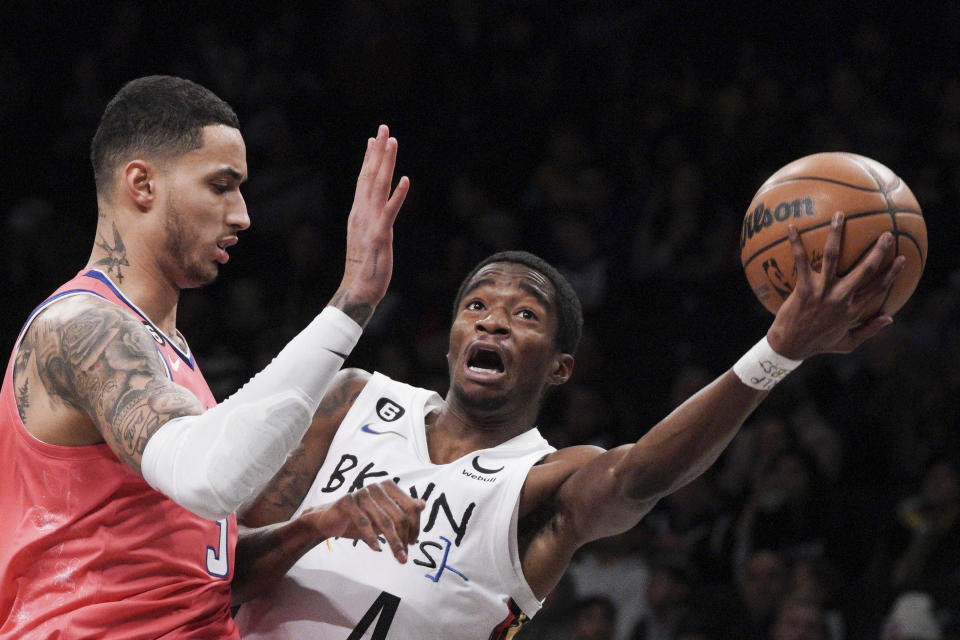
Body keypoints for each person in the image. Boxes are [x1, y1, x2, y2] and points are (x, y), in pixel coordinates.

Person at [236, 210, 905, 639]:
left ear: (560, 369)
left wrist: (775, 354)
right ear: (451, 341)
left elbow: (639, 476)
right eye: (476, 305)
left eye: (524, 314)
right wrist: (321, 524)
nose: (493, 318)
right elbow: (222, 574)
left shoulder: (546, 481)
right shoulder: (353, 399)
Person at [0, 75, 423, 638]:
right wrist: (352, 302)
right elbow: (208, 478)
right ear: (142, 184)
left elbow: (195, 575)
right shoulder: (85, 328)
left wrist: (317, 525)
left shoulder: (163, 349)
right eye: (221, 185)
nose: (243, 214)